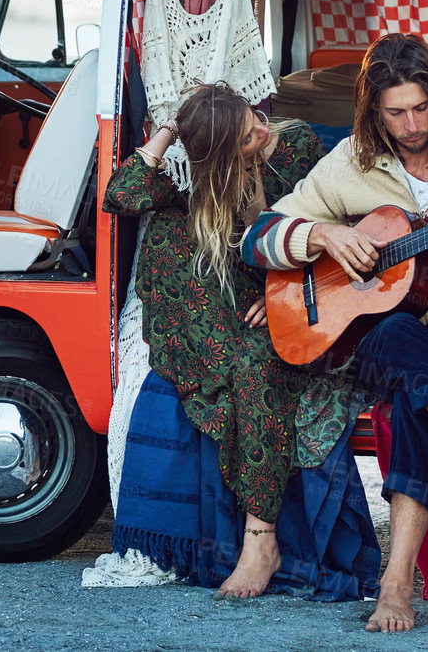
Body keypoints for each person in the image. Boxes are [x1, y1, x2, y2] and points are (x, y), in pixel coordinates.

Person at [241, 33, 428, 633]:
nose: (410, 125)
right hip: (381, 329)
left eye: (420, 108)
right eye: (394, 112)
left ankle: (396, 584)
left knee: (409, 402)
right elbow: (259, 237)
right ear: (374, 110)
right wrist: (322, 238)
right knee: (397, 333)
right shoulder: (351, 161)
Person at [102, 82, 363, 598]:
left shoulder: (296, 149)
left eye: (254, 118)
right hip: (221, 305)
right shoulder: (197, 185)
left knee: (252, 369)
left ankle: (261, 540)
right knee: (173, 229)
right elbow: (122, 194)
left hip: (288, 299)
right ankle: (212, 369)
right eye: (246, 136)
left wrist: (284, 296)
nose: (262, 131)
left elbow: (339, 230)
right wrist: (172, 130)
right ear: (220, 156)